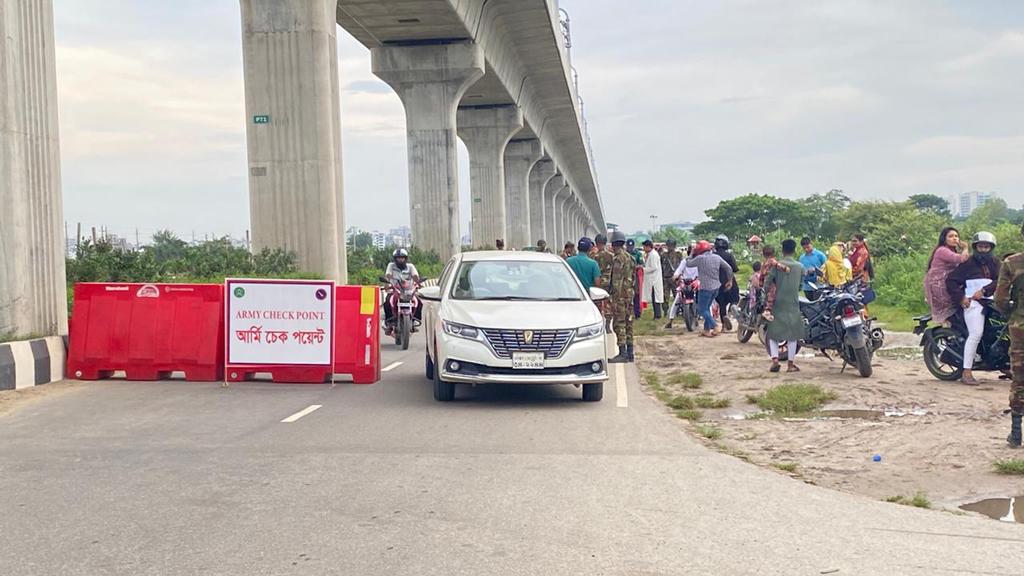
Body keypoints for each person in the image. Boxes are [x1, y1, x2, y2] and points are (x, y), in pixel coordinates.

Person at [945, 231, 1000, 386]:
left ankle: (1003, 364)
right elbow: (951, 281)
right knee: (976, 333)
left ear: (991, 248)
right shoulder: (967, 264)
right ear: (976, 247)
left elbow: (1001, 280)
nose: (983, 249)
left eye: (986, 247)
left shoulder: (996, 262)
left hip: (993, 300)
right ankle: (966, 371)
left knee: (1003, 329)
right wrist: (962, 298)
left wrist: (984, 290)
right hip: (973, 303)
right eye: (980, 246)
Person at [994, 223, 1024, 447]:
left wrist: (1011, 314)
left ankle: (1016, 434)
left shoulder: (1011, 263)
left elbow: (1000, 299)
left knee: (1019, 378)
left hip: (1020, 327)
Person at [764, 239, 804, 373]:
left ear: (782, 250)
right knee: (792, 335)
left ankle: (775, 360)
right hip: (793, 302)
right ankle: (790, 364)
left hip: (777, 303)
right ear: (794, 250)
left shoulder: (777, 265)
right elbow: (800, 286)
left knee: (773, 333)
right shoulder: (799, 267)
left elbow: (767, 282)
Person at [683, 240, 733, 338]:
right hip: (716, 288)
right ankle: (706, 330)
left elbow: (688, 263)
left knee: (702, 310)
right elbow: (729, 268)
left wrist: (691, 253)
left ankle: (715, 325)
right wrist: (730, 281)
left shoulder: (700, 258)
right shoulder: (717, 257)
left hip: (705, 288)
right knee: (707, 309)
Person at [924, 227, 970, 325]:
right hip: (940, 286)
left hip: (948, 283)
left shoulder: (952, 250)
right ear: (944, 239)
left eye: (956, 236)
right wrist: (965, 248)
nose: (955, 239)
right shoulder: (942, 250)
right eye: (951, 236)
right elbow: (961, 259)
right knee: (956, 307)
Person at [603, 231, 636, 363]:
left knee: (619, 323)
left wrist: (613, 296)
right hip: (629, 294)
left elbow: (616, 280)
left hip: (620, 296)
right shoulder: (630, 257)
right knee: (629, 323)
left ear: (613, 244)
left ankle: (622, 353)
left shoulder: (618, 259)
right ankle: (630, 353)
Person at [383, 248, 421, 335]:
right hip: (395, 290)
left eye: (402, 258)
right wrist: (386, 283)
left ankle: (415, 320)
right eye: (398, 258)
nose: (400, 259)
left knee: (418, 301)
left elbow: (415, 275)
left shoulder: (410, 267)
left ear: (406, 258)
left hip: (407, 290)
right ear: (395, 259)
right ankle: (389, 322)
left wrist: (418, 282)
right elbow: (388, 275)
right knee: (388, 302)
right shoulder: (391, 265)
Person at [664, 252, 699, 329]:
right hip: (685, 282)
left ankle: (709, 320)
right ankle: (670, 320)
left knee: (701, 299)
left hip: (696, 282)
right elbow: (678, 270)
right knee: (678, 299)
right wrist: (675, 276)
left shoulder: (699, 261)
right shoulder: (685, 261)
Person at [713, 235, 740, 330]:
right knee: (734, 299)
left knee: (722, 304)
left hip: (717, 283)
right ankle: (732, 308)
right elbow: (735, 269)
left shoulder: (713, 256)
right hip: (730, 282)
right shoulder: (729, 256)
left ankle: (724, 325)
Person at [594, 234, 614, 329]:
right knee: (608, 303)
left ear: (596, 243)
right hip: (608, 281)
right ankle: (608, 325)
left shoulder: (593, 256)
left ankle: (598, 323)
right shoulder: (611, 255)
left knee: (597, 302)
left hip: (597, 282)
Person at [640, 240, 664, 319]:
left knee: (655, 299)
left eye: (644, 247)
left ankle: (657, 315)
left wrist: (643, 269)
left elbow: (654, 267)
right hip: (651, 279)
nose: (643, 248)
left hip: (654, 280)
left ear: (648, 247)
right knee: (654, 298)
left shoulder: (653, 255)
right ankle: (656, 314)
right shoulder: (650, 254)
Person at [661, 239, 683, 313]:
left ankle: (678, 310)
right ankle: (665, 310)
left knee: (677, 295)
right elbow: (661, 266)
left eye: (671, 246)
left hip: (675, 278)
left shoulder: (678, 255)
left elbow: (681, 266)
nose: (670, 247)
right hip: (666, 277)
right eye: (669, 246)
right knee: (665, 296)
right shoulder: (663, 255)